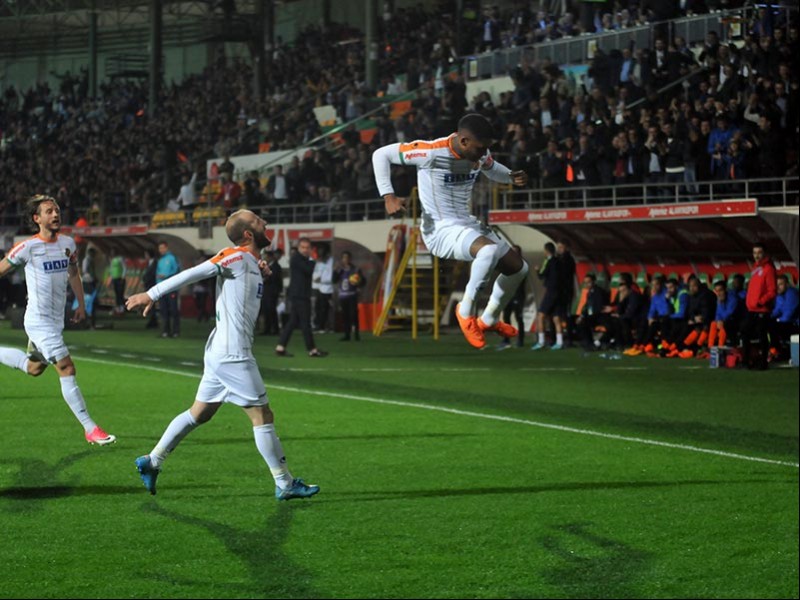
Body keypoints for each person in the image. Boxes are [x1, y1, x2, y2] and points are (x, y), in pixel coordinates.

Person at [126, 209, 319, 500]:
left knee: (199, 414)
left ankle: (152, 461)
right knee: (262, 415)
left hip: (222, 350)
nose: (265, 222)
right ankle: (285, 483)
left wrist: (259, 269)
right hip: (233, 354)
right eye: (258, 221)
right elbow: (194, 273)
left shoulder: (250, 262)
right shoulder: (236, 256)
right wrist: (151, 294)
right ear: (248, 234)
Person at [372, 113, 529, 350]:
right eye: (479, 148)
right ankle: (465, 313)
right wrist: (388, 195)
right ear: (463, 141)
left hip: (466, 222)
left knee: (518, 268)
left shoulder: (478, 152)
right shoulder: (430, 152)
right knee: (488, 252)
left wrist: (509, 176)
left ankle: (488, 319)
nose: (482, 154)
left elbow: (491, 168)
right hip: (440, 229)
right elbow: (380, 154)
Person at [0, 195, 116, 446]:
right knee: (67, 367)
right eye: (49, 211)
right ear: (36, 219)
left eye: (57, 210)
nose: (55, 214)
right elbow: (2, 269)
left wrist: (81, 305)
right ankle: (90, 428)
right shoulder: (27, 247)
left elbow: (73, 273)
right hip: (38, 321)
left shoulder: (68, 243)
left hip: (55, 322)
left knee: (33, 368)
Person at [275, 238, 327, 357]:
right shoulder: (297, 259)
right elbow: (309, 270)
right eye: (303, 247)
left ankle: (280, 347)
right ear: (298, 248)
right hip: (300, 295)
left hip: (299, 294)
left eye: (307, 248)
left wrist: (311, 260)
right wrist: (313, 260)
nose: (305, 250)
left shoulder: (300, 259)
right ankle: (312, 349)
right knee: (305, 323)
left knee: (293, 322)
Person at [742, 242, 777, 369]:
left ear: (764, 254)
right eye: (754, 253)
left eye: (759, 253)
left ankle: (763, 362)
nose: (756, 255)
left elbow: (772, 291)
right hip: (751, 308)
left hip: (762, 309)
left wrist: (761, 302)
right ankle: (746, 361)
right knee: (745, 333)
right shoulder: (755, 268)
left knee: (762, 336)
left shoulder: (769, 269)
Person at [532, 242, 563, 350]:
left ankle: (541, 341)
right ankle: (559, 342)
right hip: (559, 292)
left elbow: (541, 275)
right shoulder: (559, 261)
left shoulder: (549, 261)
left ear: (546, 251)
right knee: (556, 318)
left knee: (540, 316)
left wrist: (537, 270)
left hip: (551, 292)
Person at [496, 245, 527, 350]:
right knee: (506, 317)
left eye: (514, 252)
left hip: (518, 295)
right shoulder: (508, 264)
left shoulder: (522, 265)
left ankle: (520, 340)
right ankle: (506, 339)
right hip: (508, 294)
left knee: (519, 317)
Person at [333, 251, 366, 342]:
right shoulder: (340, 270)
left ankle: (356, 334)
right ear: (342, 259)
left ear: (350, 259)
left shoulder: (355, 269)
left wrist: (359, 282)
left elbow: (363, 281)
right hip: (343, 296)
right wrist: (334, 271)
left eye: (347, 258)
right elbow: (334, 280)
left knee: (353, 315)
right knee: (345, 315)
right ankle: (347, 335)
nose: (345, 260)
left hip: (352, 295)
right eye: (344, 258)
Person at [575, 273, 610, 351]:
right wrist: (582, 316)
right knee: (579, 321)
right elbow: (587, 306)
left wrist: (588, 315)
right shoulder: (589, 293)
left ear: (593, 282)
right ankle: (587, 342)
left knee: (585, 322)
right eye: (585, 282)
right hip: (593, 315)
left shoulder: (598, 292)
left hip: (601, 316)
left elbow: (599, 307)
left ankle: (593, 343)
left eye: (589, 282)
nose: (587, 284)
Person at [769, 274, 799, 360]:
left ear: (787, 284)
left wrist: (777, 320)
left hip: (795, 324)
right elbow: (777, 311)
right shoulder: (780, 296)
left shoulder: (792, 294)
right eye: (777, 284)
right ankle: (774, 350)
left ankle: (776, 352)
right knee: (766, 323)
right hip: (787, 324)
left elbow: (788, 315)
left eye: (781, 284)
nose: (778, 287)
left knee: (773, 326)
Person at [707, 280, 744, 349]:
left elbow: (729, 313)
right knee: (713, 323)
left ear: (725, 290)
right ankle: (710, 347)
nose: (718, 293)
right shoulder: (719, 299)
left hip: (736, 321)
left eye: (720, 290)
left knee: (724, 324)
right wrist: (718, 320)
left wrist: (721, 320)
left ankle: (721, 348)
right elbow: (718, 313)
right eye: (717, 291)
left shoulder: (733, 299)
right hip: (725, 320)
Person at [156, 241, 181, 338]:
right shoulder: (160, 260)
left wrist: (166, 276)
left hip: (171, 288)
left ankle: (176, 331)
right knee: (164, 310)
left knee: (174, 310)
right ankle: (165, 331)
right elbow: (157, 274)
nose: (161, 250)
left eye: (162, 248)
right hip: (162, 289)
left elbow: (176, 271)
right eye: (159, 248)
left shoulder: (172, 258)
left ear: (166, 248)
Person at [260, 250, 283, 335]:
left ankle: (275, 329)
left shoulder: (276, 266)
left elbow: (273, 279)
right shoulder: (268, 266)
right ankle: (267, 329)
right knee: (266, 310)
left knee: (271, 310)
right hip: (266, 291)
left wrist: (265, 279)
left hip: (272, 292)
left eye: (266, 257)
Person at [312, 245, 334, 333]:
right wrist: (316, 278)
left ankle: (326, 327)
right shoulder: (319, 262)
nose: (320, 255)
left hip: (328, 289)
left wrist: (322, 280)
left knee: (325, 308)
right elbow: (316, 273)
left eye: (322, 252)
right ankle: (319, 326)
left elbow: (331, 276)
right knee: (318, 308)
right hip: (319, 288)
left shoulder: (331, 262)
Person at [143, 249, 159, 329]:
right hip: (149, 286)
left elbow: (152, 274)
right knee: (150, 305)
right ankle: (152, 320)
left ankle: (153, 320)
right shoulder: (150, 263)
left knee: (152, 304)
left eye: (146, 254)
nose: (145, 256)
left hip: (152, 286)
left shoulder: (155, 263)